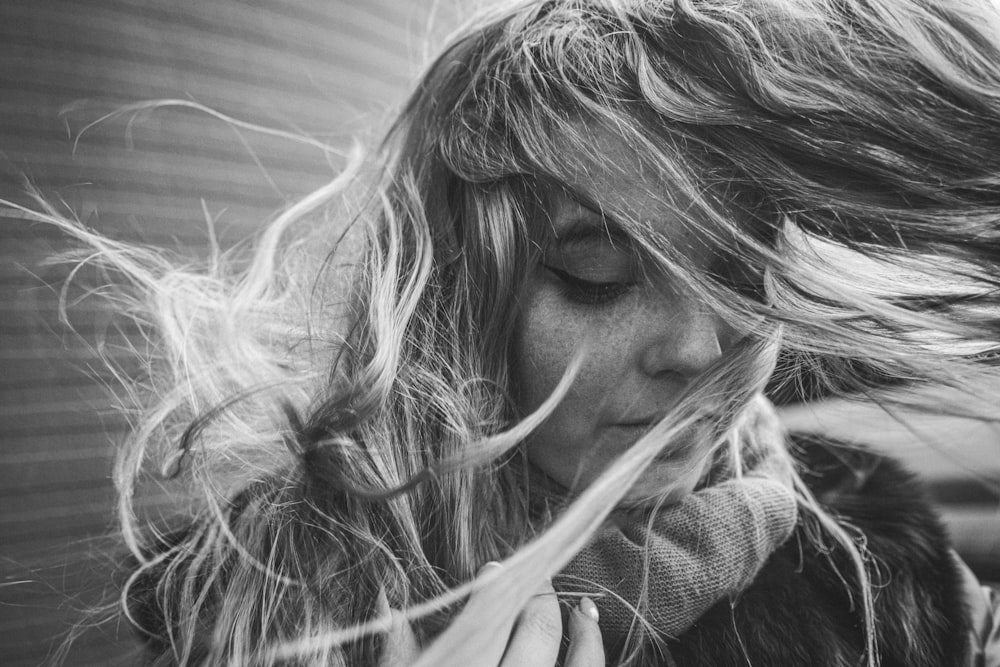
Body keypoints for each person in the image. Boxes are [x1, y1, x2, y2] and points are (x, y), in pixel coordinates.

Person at [26, 0, 1000, 664]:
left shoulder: (879, 546)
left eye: (744, 274)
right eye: (597, 271)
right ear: (465, 303)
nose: (699, 346)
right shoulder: (266, 598)